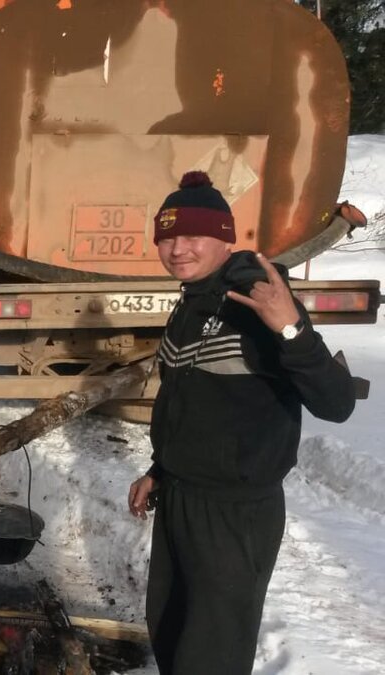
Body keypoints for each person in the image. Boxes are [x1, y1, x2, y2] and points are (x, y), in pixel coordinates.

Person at [127, 171, 356, 674]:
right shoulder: (193, 299)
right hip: (181, 499)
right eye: (167, 238)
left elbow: (337, 404)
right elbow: (188, 402)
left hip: (234, 514)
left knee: (212, 656)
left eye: (192, 237)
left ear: (224, 238)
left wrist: (291, 329)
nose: (177, 249)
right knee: (169, 632)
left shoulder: (258, 300)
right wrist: (159, 469)